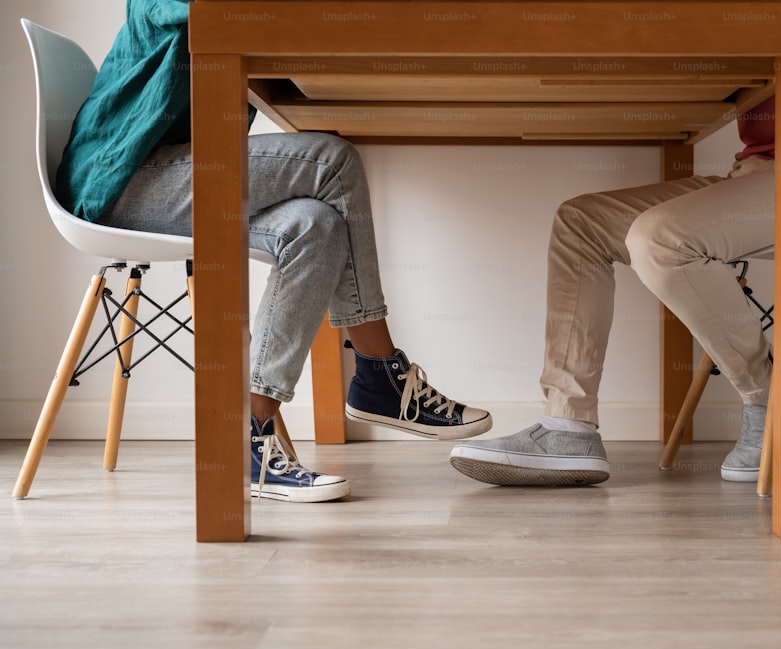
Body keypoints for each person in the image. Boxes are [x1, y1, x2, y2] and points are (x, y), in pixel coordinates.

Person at [449, 0, 781, 486]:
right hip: (758, 174)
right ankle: (569, 426)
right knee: (581, 222)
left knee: (660, 240)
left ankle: (772, 398)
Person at [57, 0, 492, 503]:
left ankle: (251, 440)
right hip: (121, 180)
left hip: (165, 171)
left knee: (318, 225)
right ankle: (380, 370)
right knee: (334, 161)